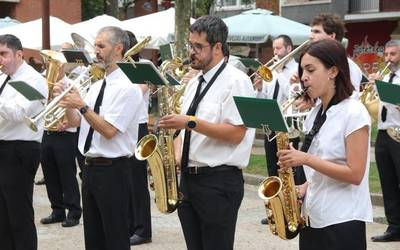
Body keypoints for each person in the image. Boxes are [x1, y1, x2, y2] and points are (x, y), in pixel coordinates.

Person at [158, 15, 255, 250]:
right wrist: (172, 161)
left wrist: (190, 122)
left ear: (218, 47)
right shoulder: (193, 83)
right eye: (190, 45)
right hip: (190, 181)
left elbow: (236, 134)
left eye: (198, 47)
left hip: (219, 181)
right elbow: (184, 134)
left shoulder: (237, 81)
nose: (192, 52)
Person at [277, 39, 372, 250]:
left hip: (342, 221)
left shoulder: (354, 113)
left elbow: (355, 174)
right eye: (302, 70)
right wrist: (304, 187)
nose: (304, 77)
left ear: (333, 71)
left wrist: (306, 159)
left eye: (310, 70)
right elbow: (326, 165)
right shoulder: (315, 113)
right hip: (314, 217)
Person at [57, 26, 142, 250]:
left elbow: (109, 130)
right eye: (95, 45)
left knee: (114, 238)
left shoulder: (128, 88)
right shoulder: (96, 86)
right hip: (91, 168)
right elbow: (77, 122)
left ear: (119, 49)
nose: (95, 51)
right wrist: (67, 102)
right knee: (93, 239)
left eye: (101, 46)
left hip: (113, 171)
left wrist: (82, 105)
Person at [0, 34, 48, 250]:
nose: (0, 60)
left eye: (3, 54)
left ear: (19, 54)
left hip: (20, 149)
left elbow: (19, 113)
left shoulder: (33, 80)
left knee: (18, 213)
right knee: (3, 214)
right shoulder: (3, 77)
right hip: (4, 146)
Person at [253, 34, 299, 225]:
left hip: (289, 125)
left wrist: (292, 84)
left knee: (289, 169)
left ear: (289, 49)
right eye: (274, 49)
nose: (275, 53)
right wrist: (259, 86)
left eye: (279, 49)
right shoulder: (270, 71)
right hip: (271, 124)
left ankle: (293, 209)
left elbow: (296, 98)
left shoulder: (298, 69)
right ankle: (275, 208)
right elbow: (264, 98)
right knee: (272, 167)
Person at [39, 42, 82, 228]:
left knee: (67, 174)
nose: (51, 67)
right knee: (49, 173)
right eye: (49, 64)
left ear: (62, 66)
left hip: (65, 134)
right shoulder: (42, 84)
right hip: (47, 133)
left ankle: (74, 211)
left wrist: (67, 120)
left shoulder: (71, 84)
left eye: (54, 64)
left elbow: (77, 117)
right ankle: (57, 210)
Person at [292, 13, 362, 102]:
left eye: (317, 32)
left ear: (332, 36)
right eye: (311, 31)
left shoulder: (350, 67)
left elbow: (350, 101)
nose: (311, 36)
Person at [370, 40, 400, 242]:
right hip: (382, 132)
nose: (388, 58)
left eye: (393, 54)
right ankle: (394, 227)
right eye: (387, 54)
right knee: (387, 182)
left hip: (398, 133)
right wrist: (374, 86)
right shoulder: (386, 76)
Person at [125, 30, 152, 246]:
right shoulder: (116, 67)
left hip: (139, 126)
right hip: (121, 127)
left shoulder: (143, 66)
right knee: (124, 180)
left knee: (137, 180)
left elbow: (138, 91)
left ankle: (143, 229)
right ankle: (128, 223)